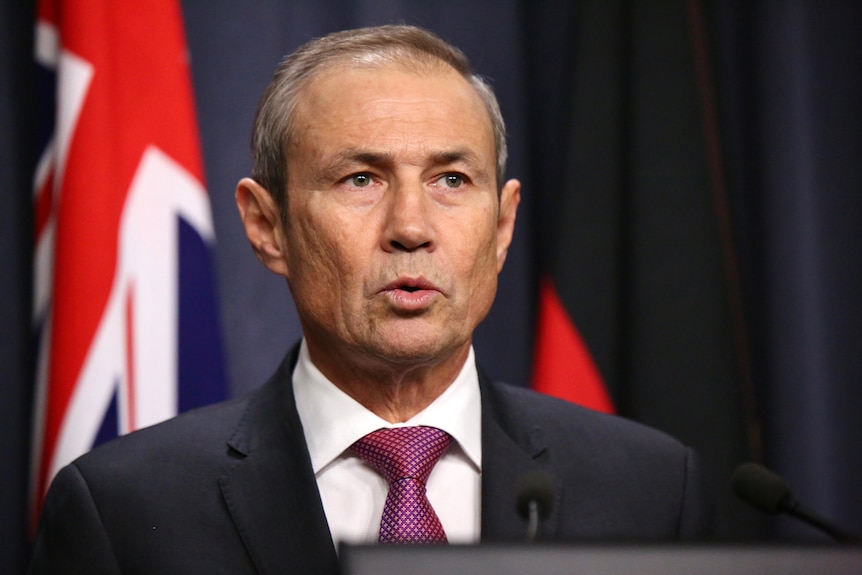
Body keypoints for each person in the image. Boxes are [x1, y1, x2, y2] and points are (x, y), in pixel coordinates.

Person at [28, 25, 714, 575]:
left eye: (451, 178)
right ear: (267, 227)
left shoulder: (651, 488)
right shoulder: (123, 508)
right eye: (360, 179)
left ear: (503, 227)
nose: (411, 227)